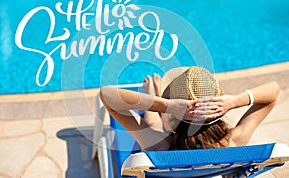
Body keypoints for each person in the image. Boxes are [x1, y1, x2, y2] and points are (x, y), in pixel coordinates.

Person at [99, 66, 279, 151]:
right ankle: (159, 107)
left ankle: (156, 104)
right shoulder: (232, 142)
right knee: (158, 129)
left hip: (171, 142)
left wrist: (166, 105)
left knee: (153, 126)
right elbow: (273, 91)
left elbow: (107, 95)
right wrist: (235, 101)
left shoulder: (162, 146)